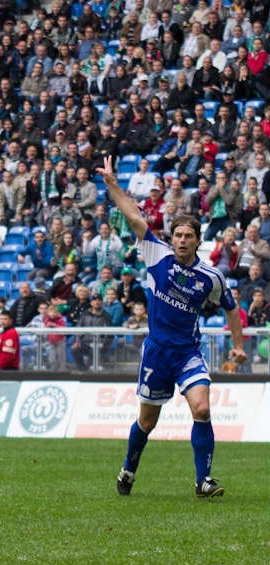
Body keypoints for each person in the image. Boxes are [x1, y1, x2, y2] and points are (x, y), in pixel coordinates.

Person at [97, 156, 246, 498]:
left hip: (188, 354)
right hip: (157, 353)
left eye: (188, 236)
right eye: (177, 234)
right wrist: (111, 184)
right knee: (147, 423)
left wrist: (236, 344)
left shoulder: (211, 277)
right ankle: (129, 469)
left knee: (203, 409)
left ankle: (203, 481)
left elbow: (232, 309)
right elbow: (133, 215)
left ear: (197, 241)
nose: (181, 240)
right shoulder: (156, 254)